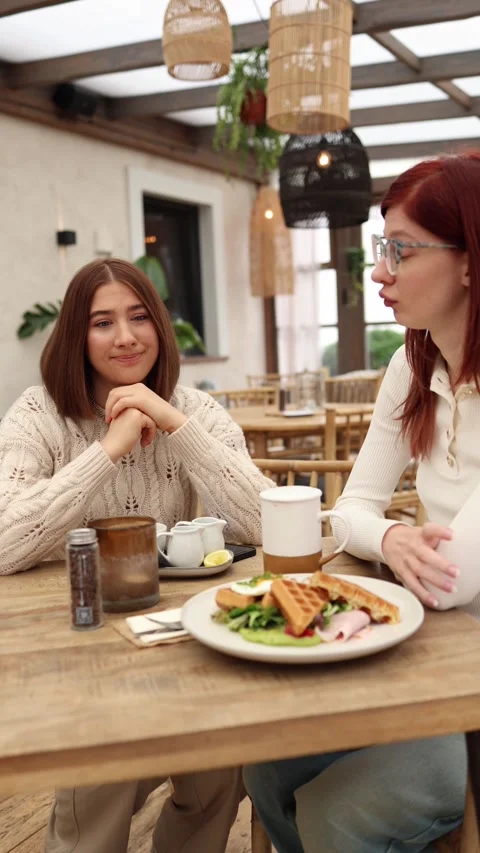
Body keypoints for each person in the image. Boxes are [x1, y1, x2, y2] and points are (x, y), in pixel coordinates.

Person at [244, 150, 480, 853]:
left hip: (459, 655)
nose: (377, 272)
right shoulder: (410, 364)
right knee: (262, 767)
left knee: (334, 817)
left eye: (400, 251)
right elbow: (349, 507)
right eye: (382, 249)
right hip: (430, 635)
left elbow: (455, 577)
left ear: (470, 261)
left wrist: (398, 542)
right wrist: (392, 540)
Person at [0, 257, 274, 853]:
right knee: (99, 788)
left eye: (139, 317)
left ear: (160, 327)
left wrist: (172, 420)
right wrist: (110, 448)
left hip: (186, 648)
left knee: (218, 775)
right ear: (78, 333)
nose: (125, 336)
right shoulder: (38, 414)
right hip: (80, 657)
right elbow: (4, 540)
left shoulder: (196, 411)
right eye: (102, 322)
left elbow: (266, 521)